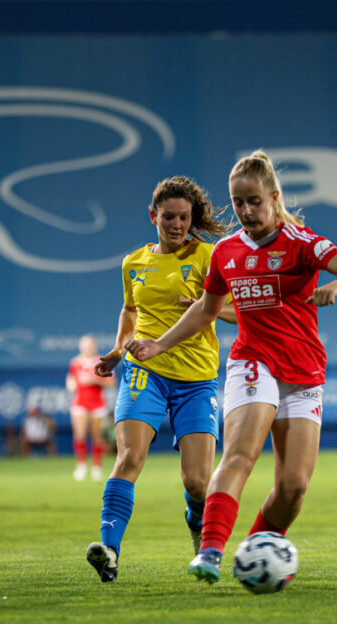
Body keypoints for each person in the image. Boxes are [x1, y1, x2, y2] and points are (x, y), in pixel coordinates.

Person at [128, 150, 337, 584]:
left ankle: (256, 549)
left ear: (274, 197)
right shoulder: (226, 252)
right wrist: (159, 345)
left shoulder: (303, 243)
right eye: (238, 203)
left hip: (304, 370)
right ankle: (210, 551)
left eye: (254, 201)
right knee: (240, 455)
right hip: (252, 361)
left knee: (294, 486)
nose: (246, 211)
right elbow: (206, 309)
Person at [84, 175, 236, 583]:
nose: (177, 224)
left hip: (196, 378)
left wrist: (206, 308)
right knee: (130, 457)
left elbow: (241, 313)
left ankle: (195, 521)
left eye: (184, 217)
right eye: (168, 216)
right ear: (153, 216)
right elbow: (130, 311)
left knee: (198, 483)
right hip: (144, 371)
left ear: (192, 219)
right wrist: (119, 349)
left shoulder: (211, 256)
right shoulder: (133, 262)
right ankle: (109, 550)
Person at [67, 335, 113, 481]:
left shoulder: (101, 362)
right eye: (85, 345)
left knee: (97, 437)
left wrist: (94, 380)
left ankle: (96, 466)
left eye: (91, 345)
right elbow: (71, 380)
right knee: (79, 435)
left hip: (97, 403)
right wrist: (71, 385)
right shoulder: (75, 362)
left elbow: (111, 382)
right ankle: (81, 466)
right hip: (80, 402)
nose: (88, 348)